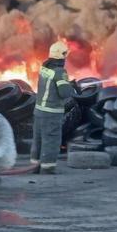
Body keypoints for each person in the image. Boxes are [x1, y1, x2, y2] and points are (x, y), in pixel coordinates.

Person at [30, 40, 74, 174]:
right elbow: (65, 93)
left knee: (38, 139)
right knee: (51, 140)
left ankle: (34, 166)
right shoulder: (60, 72)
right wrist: (71, 86)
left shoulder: (44, 68)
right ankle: (47, 168)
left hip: (39, 111)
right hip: (52, 113)